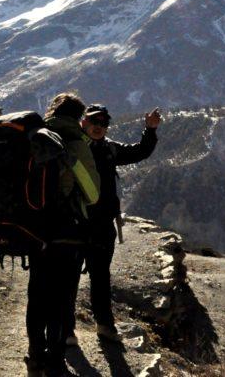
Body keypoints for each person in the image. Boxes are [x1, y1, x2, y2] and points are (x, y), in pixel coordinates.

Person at [66, 104, 161, 344]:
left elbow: (139, 152)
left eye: (104, 123)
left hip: (102, 226)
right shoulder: (71, 148)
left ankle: (105, 325)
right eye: (94, 122)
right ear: (83, 123)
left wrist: (149, 130)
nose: (99, 127)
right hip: (75, 223)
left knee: (100, 277)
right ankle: (66, 330)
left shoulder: (109, 149)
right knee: (69, 278)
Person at [26, 92, 100, 377]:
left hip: (35, 230)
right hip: (68, 234)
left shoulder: (34, 137)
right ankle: (55, 362)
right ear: (78, 118)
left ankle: (35, 356)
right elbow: (92, 195)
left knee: (37, 294)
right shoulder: (76, 144)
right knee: (60, 298)